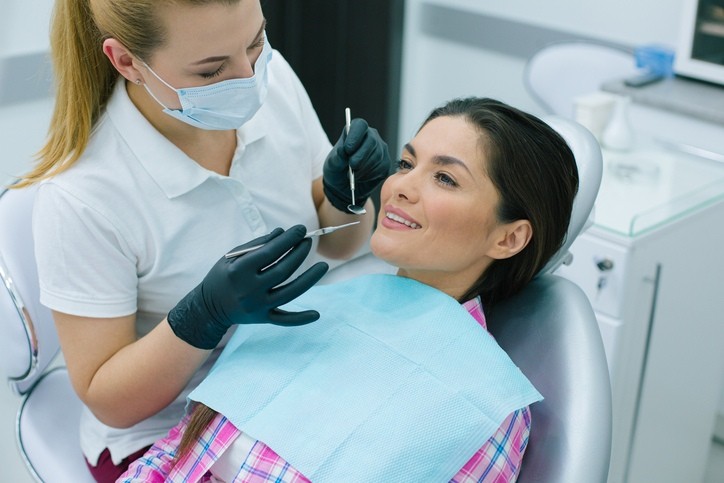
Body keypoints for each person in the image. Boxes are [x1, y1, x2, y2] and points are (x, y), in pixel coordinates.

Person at [18, 1, 390, 481]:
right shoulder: (82, 198)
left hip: (290, 379)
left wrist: (347, 197)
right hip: (169, 427)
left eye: (256, 42)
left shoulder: (270, 83)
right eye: (212, 70)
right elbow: (109, 401)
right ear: (127, 61)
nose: (248, 77)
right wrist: (201, 319)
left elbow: (339, 246)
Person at [119, 97, 580, 482]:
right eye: (406, 163)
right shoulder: (309, 312)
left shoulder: (483, 411)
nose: (400, 186)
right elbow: (174, 456)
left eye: (444, 178)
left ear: (509, 238)